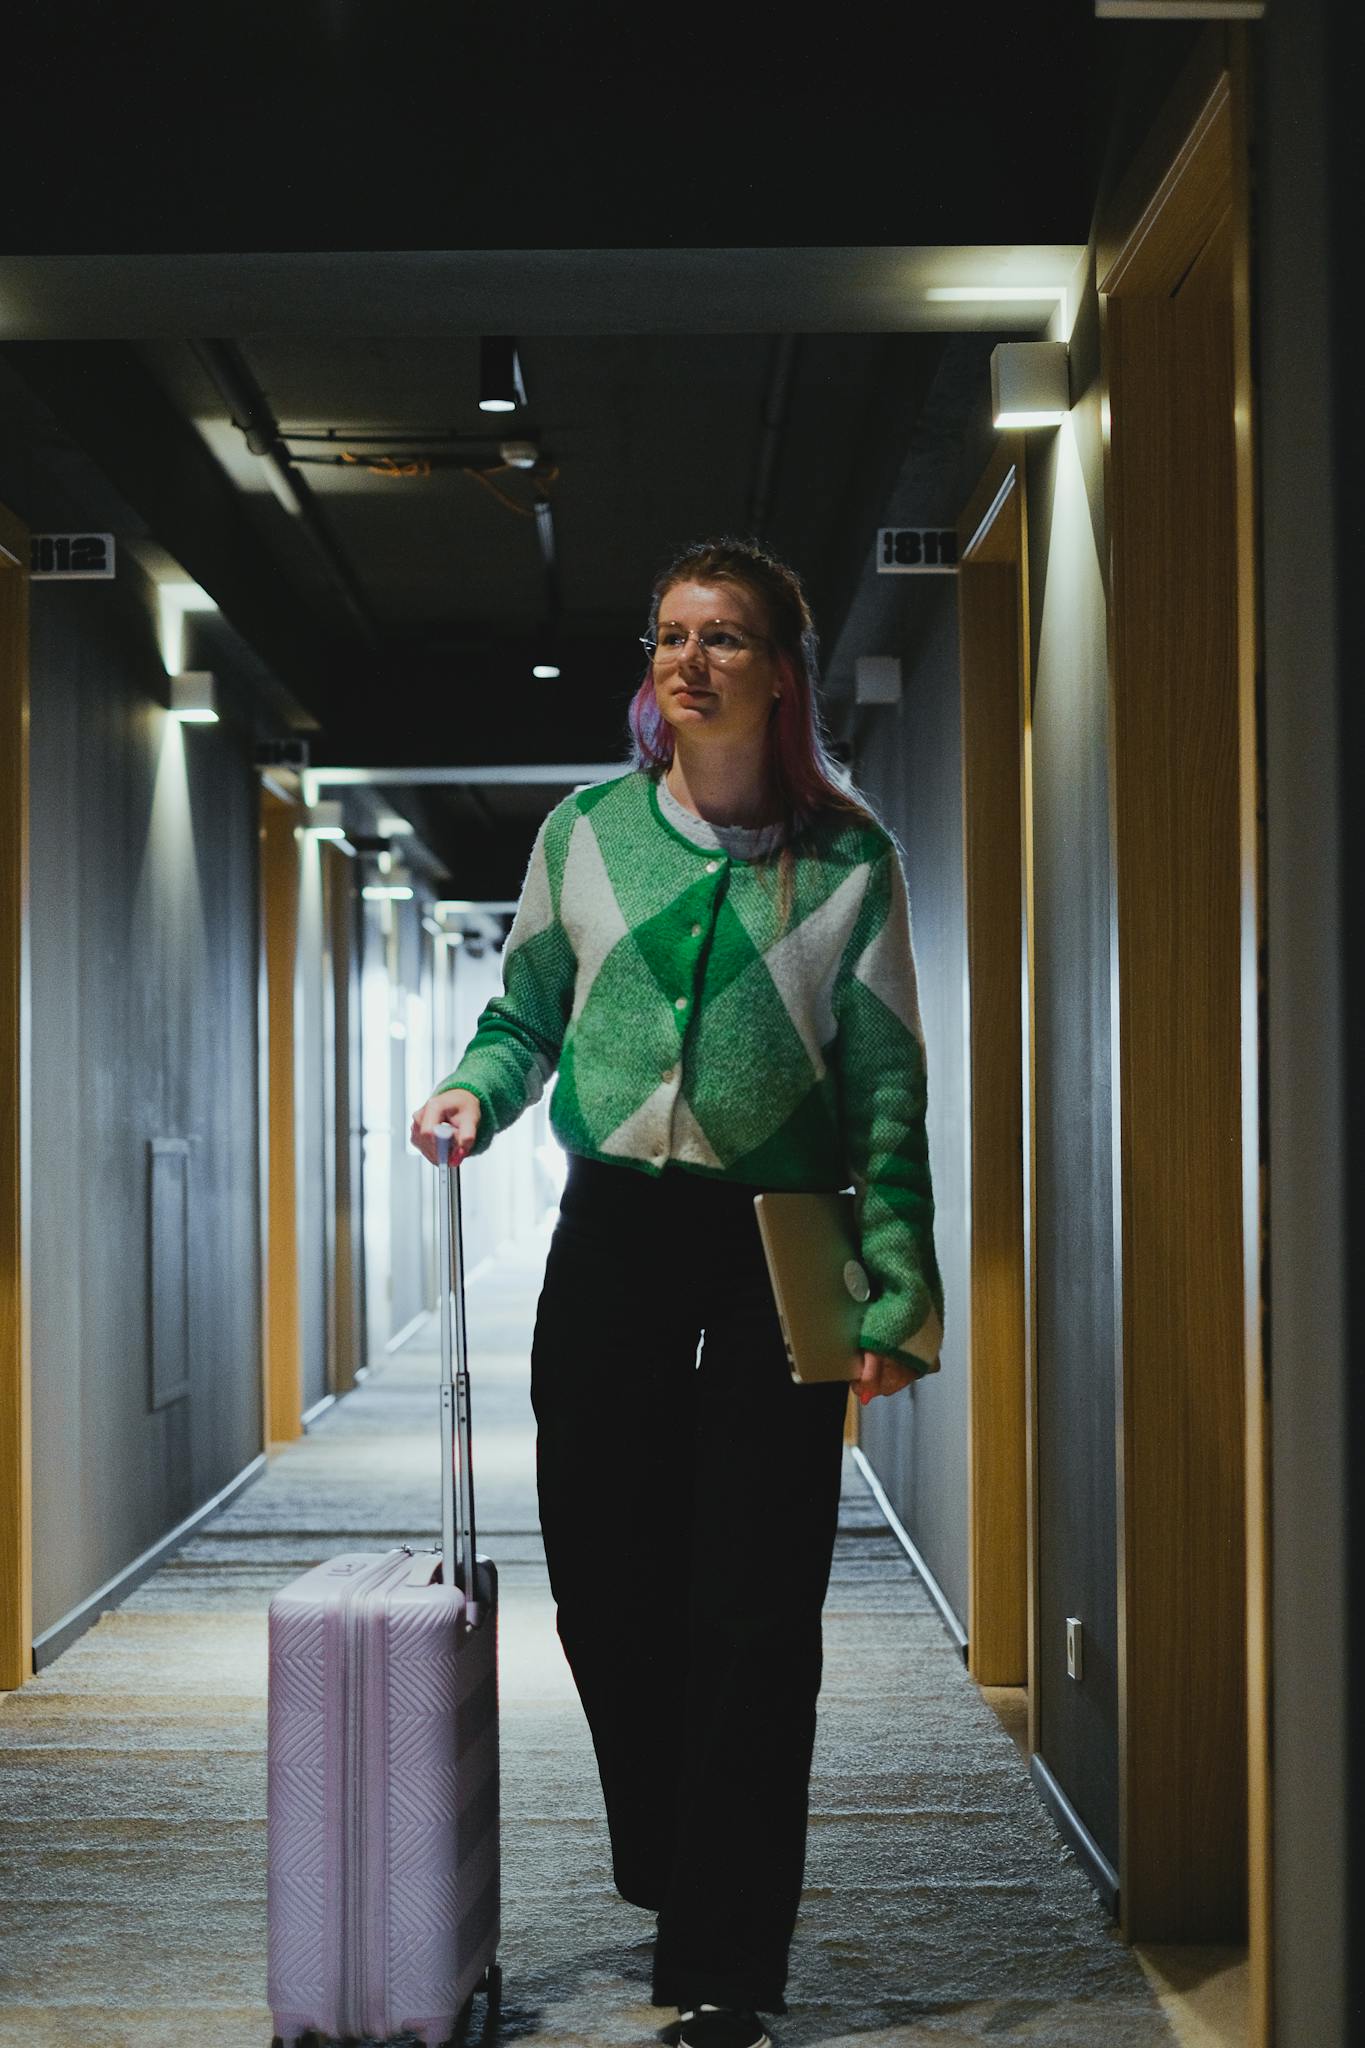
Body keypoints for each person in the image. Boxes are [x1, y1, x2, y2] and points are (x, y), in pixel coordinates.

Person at [411, 536, 944, 2048]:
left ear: (781, 673)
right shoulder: (587, 834)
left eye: (723, 636)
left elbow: (886, 1096)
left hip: (781, 1248)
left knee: (758, 1604)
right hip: (613, 1239)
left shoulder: (849, 864)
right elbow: (525, 1010)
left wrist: (894, 1291)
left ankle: (726, 1956)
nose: (688, 659)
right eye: (668, 634)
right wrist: (474, 1091)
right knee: (606, 1584)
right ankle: (674, 1851)